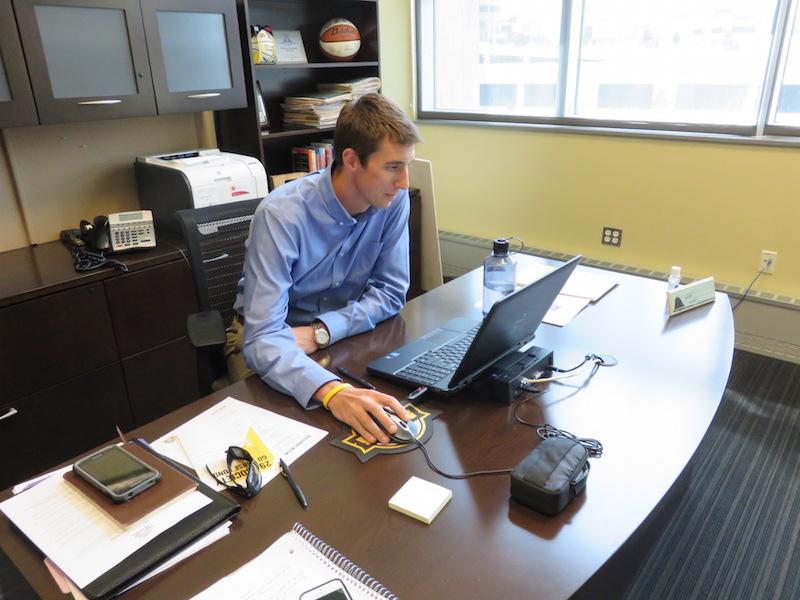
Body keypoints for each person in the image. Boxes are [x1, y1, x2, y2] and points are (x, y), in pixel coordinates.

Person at [227, 93, 422, 445]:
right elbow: (261, 339)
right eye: (393, 166)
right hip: (269, 339)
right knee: (295, 448)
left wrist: (323, 331)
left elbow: (391, 292)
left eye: (407, 165)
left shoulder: (392, 201)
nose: (404, 181)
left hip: (336, 335)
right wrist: (332, 392)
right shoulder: (281, 215)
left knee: (384, 427)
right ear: (351, 160)